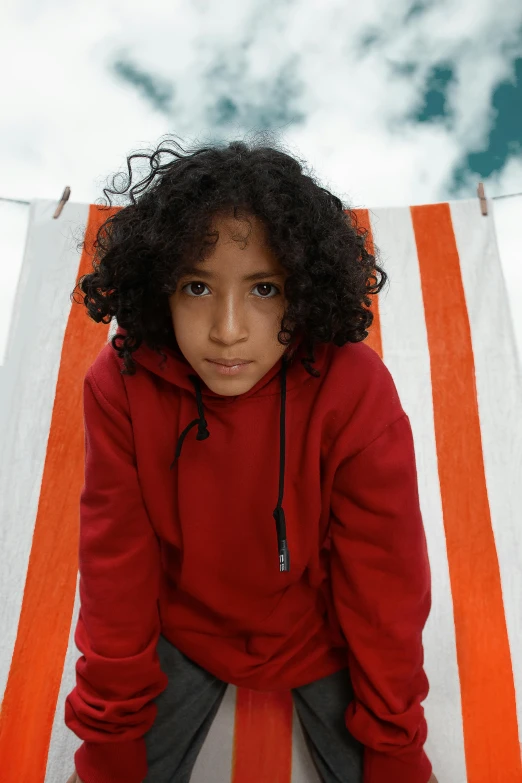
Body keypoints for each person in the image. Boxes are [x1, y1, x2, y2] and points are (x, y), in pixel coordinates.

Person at [64, 134, 437, 783]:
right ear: (158, 288)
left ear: (304, 288)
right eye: (197, 286)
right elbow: (114, 569)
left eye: (264, 288)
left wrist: (395, 741)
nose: (229, 328)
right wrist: (110, 741)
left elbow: (385, 586)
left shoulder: (355, 387)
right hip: (183, 632)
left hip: (321, 637)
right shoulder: (119, 380)